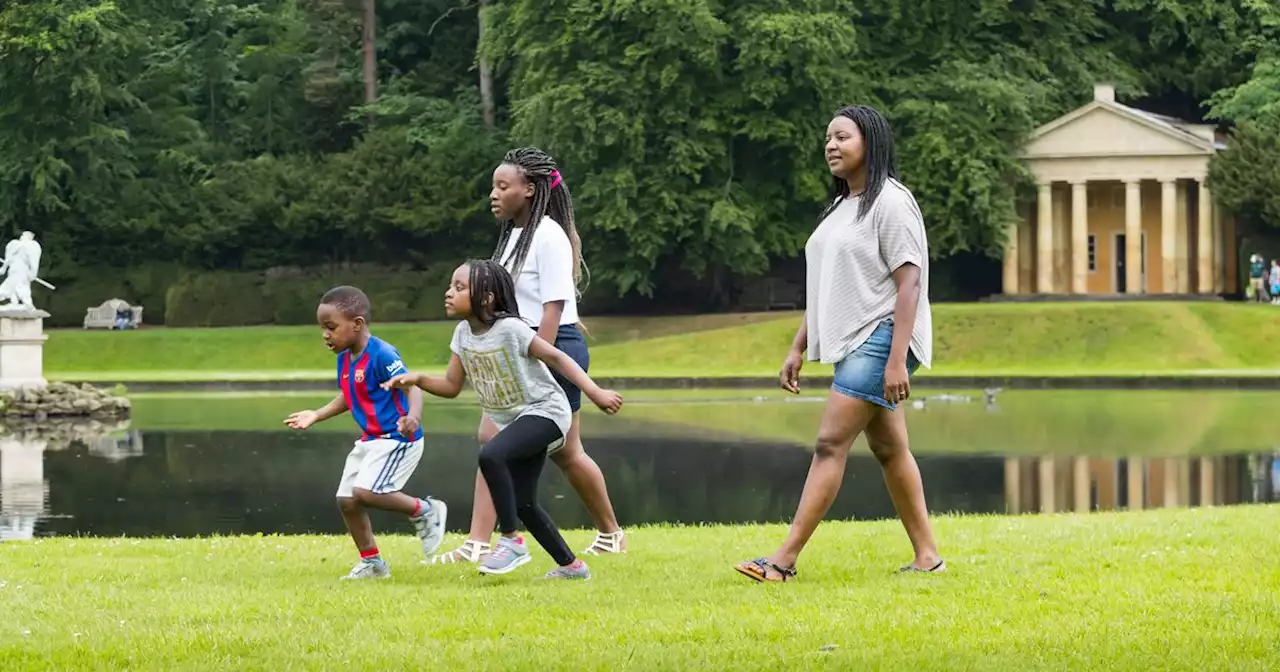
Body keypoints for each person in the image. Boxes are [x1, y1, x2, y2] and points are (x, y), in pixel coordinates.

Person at [733, 105, 944, 583]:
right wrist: (796, 347)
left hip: (883, 335)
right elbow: (829, 287)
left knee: (830, 443)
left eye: (843, 137)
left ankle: (783, 562)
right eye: (828, 138)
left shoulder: (891, 201)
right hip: (855, 340)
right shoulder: (841, 206)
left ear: (870, 141)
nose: (831, 145)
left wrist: (897, 361)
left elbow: (909, 283)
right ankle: (928, 556)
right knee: (891, 451)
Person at [429, 147, 627, 564]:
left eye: (503, 186)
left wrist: (535, 361)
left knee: (552, 449)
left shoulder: (549, 234)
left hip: (547, 346)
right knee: (529, 444)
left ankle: (597, 533)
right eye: (493, 186)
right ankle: (483, 541)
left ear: (530, 190)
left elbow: (553, 307)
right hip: (518, 344)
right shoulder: (515, 235)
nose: (494, 194)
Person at [385, 260, 623, 580]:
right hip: (517, 423)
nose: (449, 293)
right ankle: (572, 567)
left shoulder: (511, 329)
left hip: (547, 412)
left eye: (459, 287)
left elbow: (555, 356)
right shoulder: (462, 335)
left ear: (487, 298)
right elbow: (451, 387)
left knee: (491, 454)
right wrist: (415, 379)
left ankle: (511, 541)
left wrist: (595, 392)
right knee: (525, 503)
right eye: (450, 286)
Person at [284, 285, 448, 580]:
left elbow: (412, 386)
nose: (325, 335)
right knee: (347, 499)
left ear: (357, 324)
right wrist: (317, 414)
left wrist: (413, 417)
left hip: (398, 438)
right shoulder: (344, 359)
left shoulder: (382, 354)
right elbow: (349, 396)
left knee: (367, 492)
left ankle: (425, 510)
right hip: (371, 441)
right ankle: (373, 564)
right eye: (323, 328)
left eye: (331, 327)